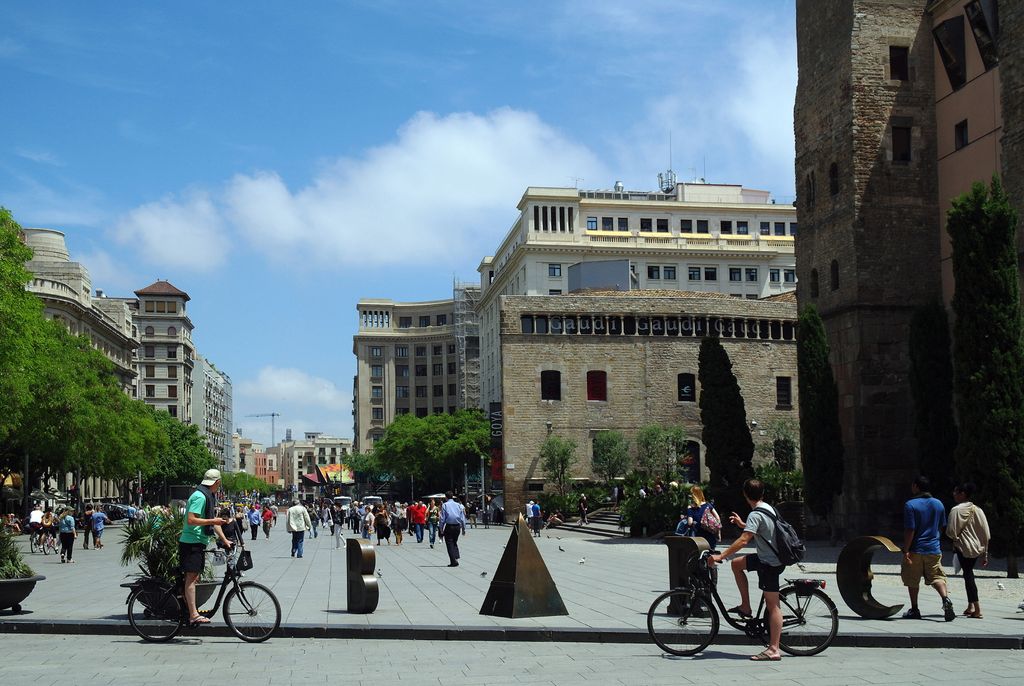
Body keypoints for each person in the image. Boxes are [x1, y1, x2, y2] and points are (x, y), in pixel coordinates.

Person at [708, 478, 786, 662]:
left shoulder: (756, 514)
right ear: (762, 493)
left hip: (770, 563)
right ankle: (746, 606)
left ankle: (774, 649)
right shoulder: (768, 508)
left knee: (773, 605)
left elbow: (744, 540)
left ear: (745, 494)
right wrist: (743, 524)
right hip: (766, 558)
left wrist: (722, 555)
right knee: (737, 564)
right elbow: (764, 529)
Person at [179, 469, 233, 626]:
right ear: (217, 483)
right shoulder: (200, 497)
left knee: (193, 577)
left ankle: (187, 608)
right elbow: (191, 520)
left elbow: (212, 522)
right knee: (191, 578)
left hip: (198, 542)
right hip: (191, 542)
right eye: (219, 484)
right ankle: (193, 615)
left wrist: (224, 540)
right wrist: (212, 521)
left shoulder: (206, 495)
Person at [901, 475, 955, 621]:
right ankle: (945, 599)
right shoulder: (938, 504)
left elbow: (910, 529)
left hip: (916, 549)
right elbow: (942, 526)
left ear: (916, 487)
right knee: (937, 576)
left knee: (913, 579)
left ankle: (915, 609)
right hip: (934, 548)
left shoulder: (910, 505)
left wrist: (906, 549)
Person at [947, 482, 990, 619]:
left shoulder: (956, 510)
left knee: (968, 575)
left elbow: (951, 531)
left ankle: (977, 608)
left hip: (963, 547)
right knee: (968, 574)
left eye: (956, 492)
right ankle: (971, 606)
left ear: (962, 494)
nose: (953, 494)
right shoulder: (978, 510)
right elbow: (986, 534)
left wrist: (954, 540)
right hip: (976, 547)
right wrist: (985, 554)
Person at [439, 491, 467, 567]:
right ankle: (456, 557)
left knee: (449, 543)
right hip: (457, 526)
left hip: (449, 526)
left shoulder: (445, 505)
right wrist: (464, 529)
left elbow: (442, 518)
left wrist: (441, 528)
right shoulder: (458, 505)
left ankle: (453, 561)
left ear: (446, 497)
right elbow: (462, 518)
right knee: (454, 542)